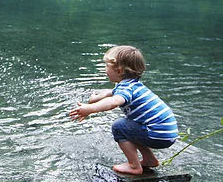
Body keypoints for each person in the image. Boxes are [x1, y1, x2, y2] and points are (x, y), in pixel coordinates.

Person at [69, 45, 178, 175]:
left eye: (107, 67)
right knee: (132, 127)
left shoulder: (126, 89)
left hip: (157, 134)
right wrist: (97, 97)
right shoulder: (132, 85)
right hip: (167, 133)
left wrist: (90, 109)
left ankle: (134, 166)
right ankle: (149, 160)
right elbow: (111, 93)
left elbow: (114, 101)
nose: (105, 70)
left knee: (119, 126)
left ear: (119, 71)